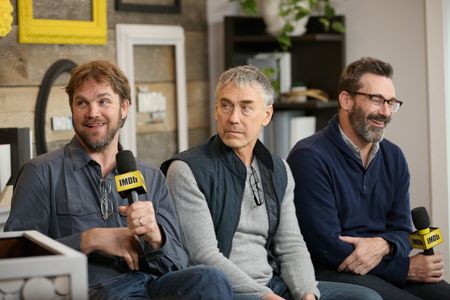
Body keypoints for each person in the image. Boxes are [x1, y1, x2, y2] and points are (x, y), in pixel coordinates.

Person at [5, 60, 232, 300]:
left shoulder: (152, 177)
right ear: (72, 109)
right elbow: (16, 262)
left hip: (149, 286)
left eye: (103, 101)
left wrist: (156, 236)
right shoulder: (40, 173)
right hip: (95, 293)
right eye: (82, 102)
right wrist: (88, 240)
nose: (93, 113)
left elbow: (177, 265)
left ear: (123, 108)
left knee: (211, 279)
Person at [161, 65, 382, 300]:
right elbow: (203, 256)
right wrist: (265, 296)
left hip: (274, 283)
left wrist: (308, 294)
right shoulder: (187, 170)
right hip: (229, 290)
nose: (233, 118)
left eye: (246, 107)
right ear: (216, 110)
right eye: (226, 106)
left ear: (267, 115)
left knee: (367, 298)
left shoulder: (278, 169)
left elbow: (291, 245)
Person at [287, 57, 450, 300]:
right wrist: (405, 269)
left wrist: (382, 245)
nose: (385, 112)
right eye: (376, 99)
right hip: (330, 272)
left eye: (391, 102)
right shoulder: (309, 157)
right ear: (346, 100)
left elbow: (403, 231)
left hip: (381, 268)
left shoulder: (394, 157)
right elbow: (327, 248)